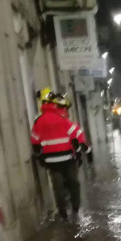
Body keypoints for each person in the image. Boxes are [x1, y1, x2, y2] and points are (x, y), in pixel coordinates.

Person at [29, 89, 82, 219]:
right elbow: (75, 136)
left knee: (57, 187)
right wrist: (79, 153)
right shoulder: (62, 119)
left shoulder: (39, 121)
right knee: (73, 182)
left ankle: (62, 213)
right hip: (67, 158)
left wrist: (40, 157)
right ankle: (75, 208)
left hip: (51, 161)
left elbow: (35, 141)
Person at [54, 93, 94, 166]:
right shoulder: (67, 123)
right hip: (67, 157)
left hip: (50, 158)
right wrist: (87, 153)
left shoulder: (43, 120)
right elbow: (78, 137)